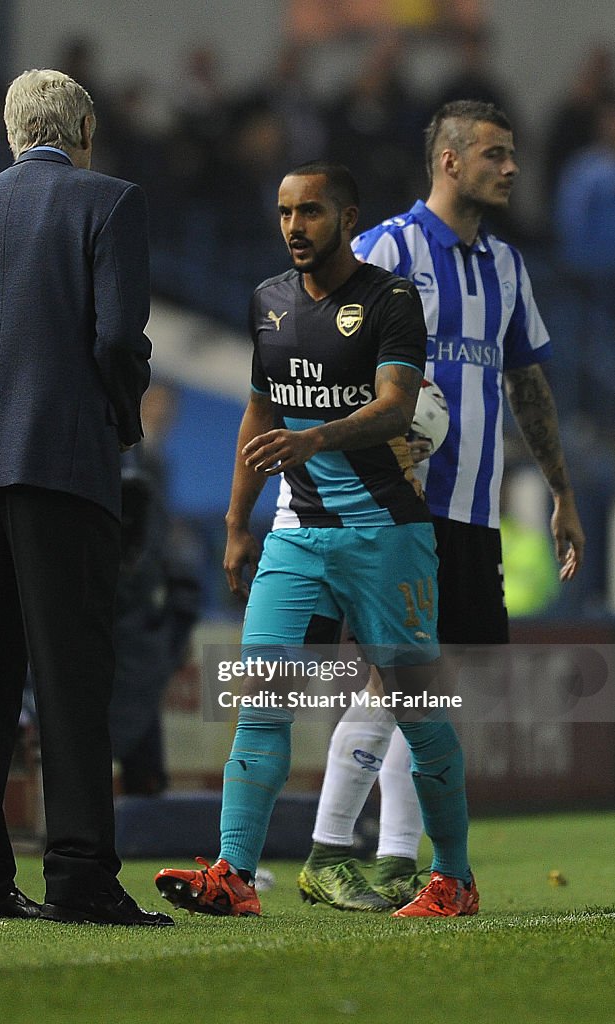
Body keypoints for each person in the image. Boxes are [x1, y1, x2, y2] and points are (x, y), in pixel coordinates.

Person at [155, 161, 480, 919]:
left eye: (310, 212)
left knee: (418, 712)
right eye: (283, 213)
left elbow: (397, 407)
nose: (294, 227)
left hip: (384, 539)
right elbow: (258, 415)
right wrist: (239, 523)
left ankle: (454, 879)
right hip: (297, 538)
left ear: (347, 217)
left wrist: (317, 440)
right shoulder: (266, 303)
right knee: (260, 701)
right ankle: (234, 875)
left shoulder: (389, 301)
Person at [297, 101, 585, 914]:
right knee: (400, 678)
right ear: (450, 161)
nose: (511, 168)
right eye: (496, 153)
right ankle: (328, 850)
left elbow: (526, 384)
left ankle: (391, 860)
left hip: (471, 506)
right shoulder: (389, 247)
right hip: (398, 505)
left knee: (429, 686)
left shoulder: (505, 266)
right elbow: (327, 351)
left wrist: (561, 491)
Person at [0, 68, 171, 927]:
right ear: (85, 130)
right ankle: (79, 877)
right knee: (70, 680)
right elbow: (114, 337)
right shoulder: (111, 202)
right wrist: (118, 422)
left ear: (12, 130)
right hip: (66, 470)